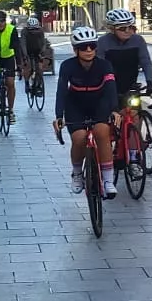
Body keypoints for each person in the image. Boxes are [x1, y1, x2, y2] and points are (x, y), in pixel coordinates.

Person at [53, 24, 118, 198]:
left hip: (99, 103)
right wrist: (58, 116)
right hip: (75, 104)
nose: (89, 50)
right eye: (83, 47)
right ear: (75, 50)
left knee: (102, 132)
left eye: (92, 46)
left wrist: (114, 110)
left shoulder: (104, 65)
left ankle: (108, 180)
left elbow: (111, 88)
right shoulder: (67, 66)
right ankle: (77, 173)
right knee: (79, 137)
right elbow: (61, 90)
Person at [0, 10, 19, 123]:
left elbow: (17, 47)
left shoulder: (11, 29)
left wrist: (20, 64)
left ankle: (10, 111)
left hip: (8, 57)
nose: (0, 23)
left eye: (2, 21)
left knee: (10, 83)